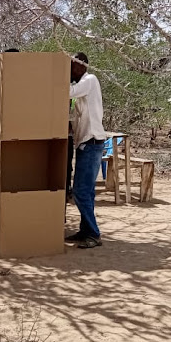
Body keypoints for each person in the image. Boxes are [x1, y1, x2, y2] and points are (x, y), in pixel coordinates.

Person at [67, 52, 106, 249]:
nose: (70, 70)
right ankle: (85, 230)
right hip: (86, 143)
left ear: (82, 66)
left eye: (72, 66)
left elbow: (68, 92)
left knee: (81, 191)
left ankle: (93, 233)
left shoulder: (89, 80)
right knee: (87, 191)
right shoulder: (83, 85)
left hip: (91, 143)